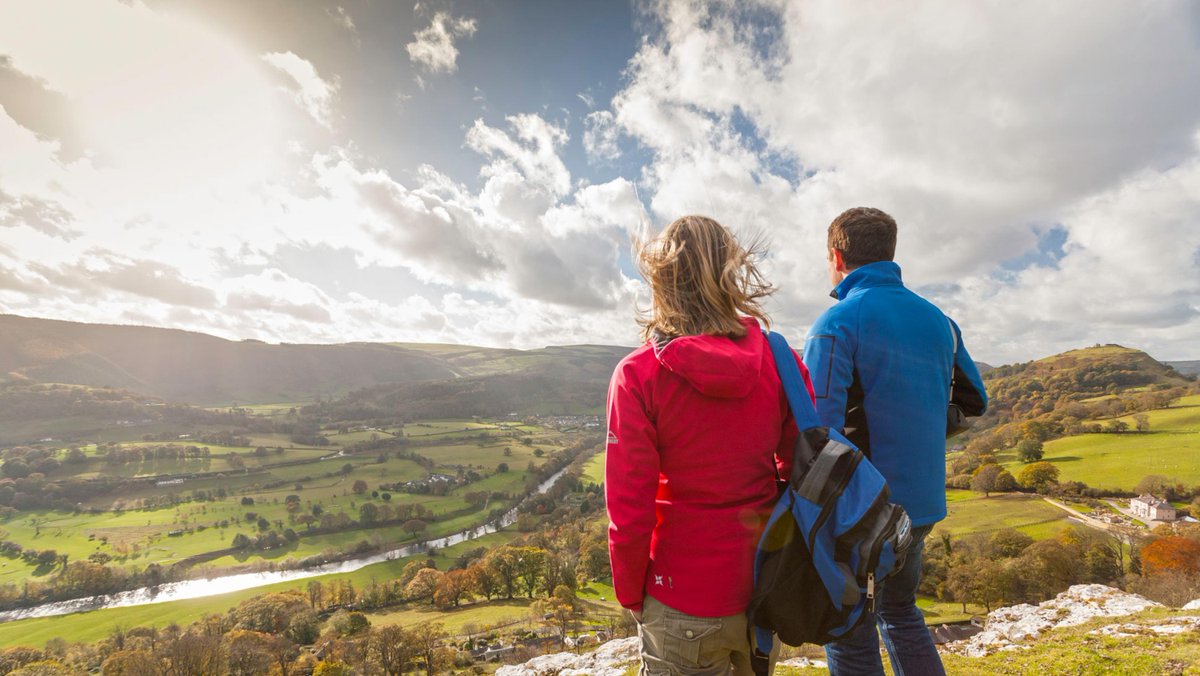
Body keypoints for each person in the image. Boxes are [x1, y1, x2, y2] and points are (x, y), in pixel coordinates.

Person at [605, 215, 814, 675]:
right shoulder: (780, 359)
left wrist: (630, 594)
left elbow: (629, 506)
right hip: (764, 588)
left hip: (680, 593)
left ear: (661, 279)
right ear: (731, 274)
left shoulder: (638, 375)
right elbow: (804, 468)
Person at [802, 207, 988, 676]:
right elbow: (975, 400)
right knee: (902, 613)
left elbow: (815, 431)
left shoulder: (837, 322)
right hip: (922, 503)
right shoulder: (939, 320)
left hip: (862, 508)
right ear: (890, 252)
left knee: (848, 628)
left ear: (836, 255)